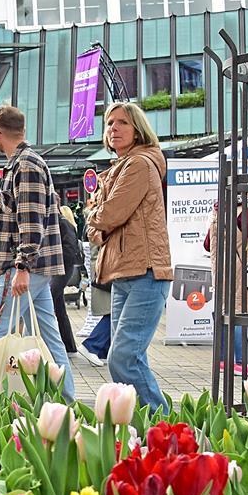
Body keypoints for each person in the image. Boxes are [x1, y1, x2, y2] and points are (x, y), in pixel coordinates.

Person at [0, 105, 75, 400]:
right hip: (30, 268)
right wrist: (2, 268)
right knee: (51, 339)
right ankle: (69, 401)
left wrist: (20, 267)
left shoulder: (25, 165)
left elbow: (29, 221)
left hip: (26, 267)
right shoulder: (26, 163)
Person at [84, 102, 172, 413]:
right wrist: (99, 219)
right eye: (109, 123)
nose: (114, 129)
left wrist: (95, 214)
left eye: (122, 122)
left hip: (146, 274)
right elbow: (98, 228)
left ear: (138, 130)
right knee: (127, 357)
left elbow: (108, 216)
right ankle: (145, 428)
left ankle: (167, 429)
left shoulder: (139, 165)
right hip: (124, 273)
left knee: (123, 356)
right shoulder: (120, 168)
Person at [204, 193, 248, 375]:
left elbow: (207, 244)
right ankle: (241, 361)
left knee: (224, 311)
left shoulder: (218, 213)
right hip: (241, 273)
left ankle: (223, 359)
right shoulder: (242, 212)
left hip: (222, 273)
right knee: (240, 311)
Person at [53, 205, 83, 355]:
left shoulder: (62, 222)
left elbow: (70, 249)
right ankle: (69, 345)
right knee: (58, 307)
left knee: (50, 303)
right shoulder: (57, 222)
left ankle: (58, 346)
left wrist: (57, 262)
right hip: (60, 268)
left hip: (62, 268)